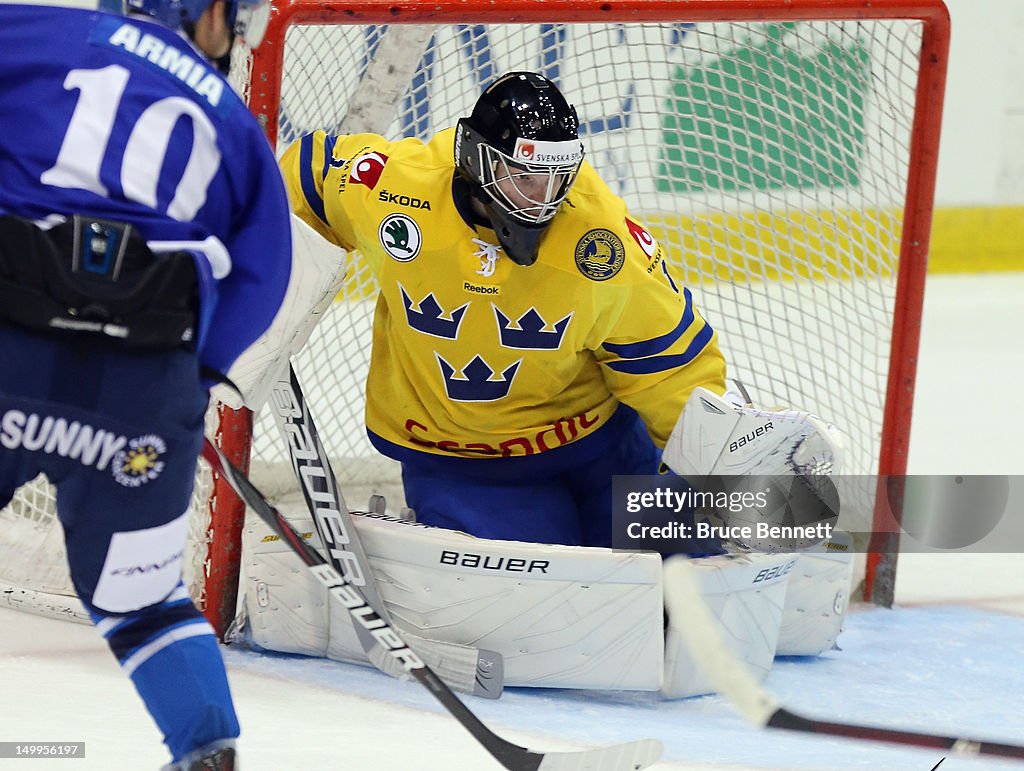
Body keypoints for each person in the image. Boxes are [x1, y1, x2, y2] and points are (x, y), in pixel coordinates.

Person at [0, 0, 290, 768]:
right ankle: (207, 751)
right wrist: (184, 380)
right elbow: (263, 274)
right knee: (142, 600)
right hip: (142, 386)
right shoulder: (230, 115)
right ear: (203, 14)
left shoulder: (25, 29)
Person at [280, 71, 728, 549]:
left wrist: (716, 476)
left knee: (685, 567)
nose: (545, 198)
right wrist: (250, 277)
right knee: (544, 603)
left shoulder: (600, 246)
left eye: (559, 179)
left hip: (602, 449)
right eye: (526, 177)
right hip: (466, 465)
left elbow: (671, 367)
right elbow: (311, 173)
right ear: (477, 159)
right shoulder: (396, 190)